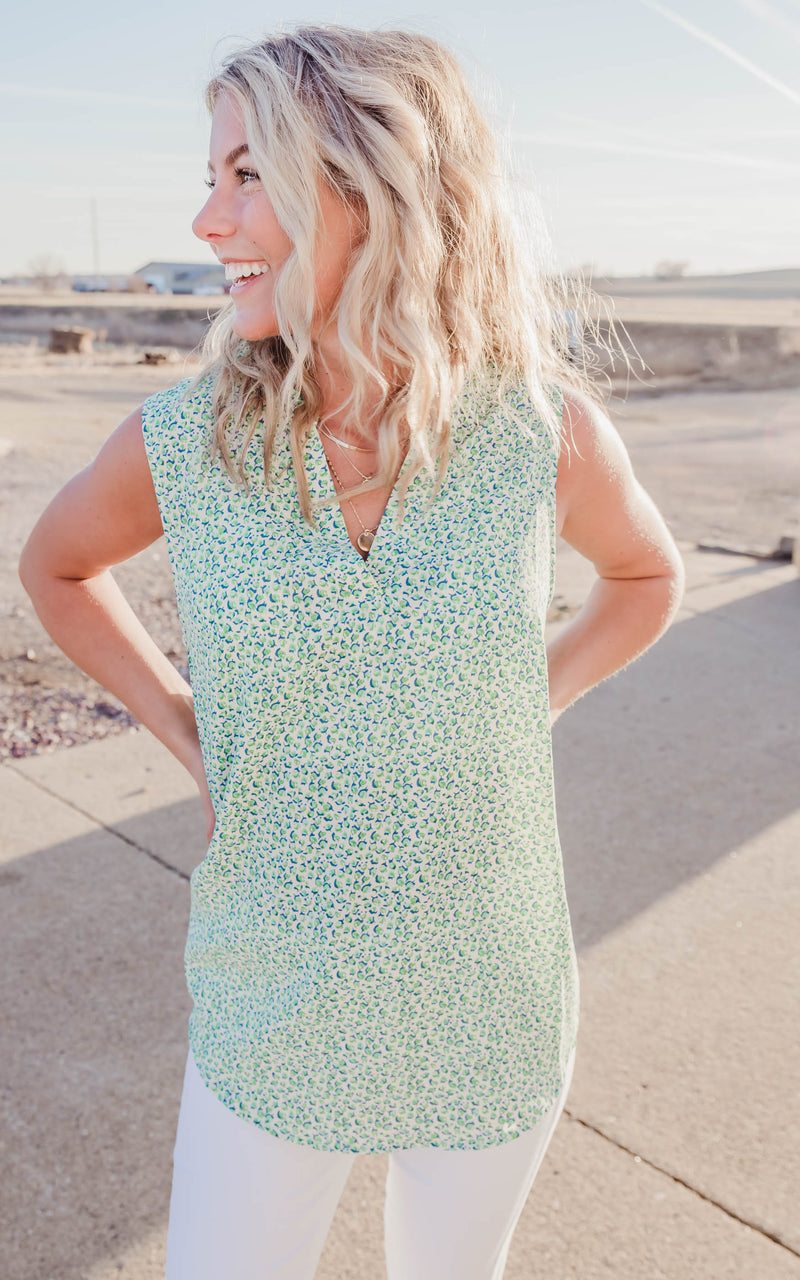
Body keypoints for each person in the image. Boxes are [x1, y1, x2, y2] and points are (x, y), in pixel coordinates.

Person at [18, 24, 685, 1280]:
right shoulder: (183, 441)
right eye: (212, 177)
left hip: (489, 993)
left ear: (371, 187)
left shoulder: (542, 431)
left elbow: (647, 578)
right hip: (274, 1000)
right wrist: (186, 726)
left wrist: (526, 698)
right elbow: (54, 568)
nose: (208, 220)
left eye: (245, 174)